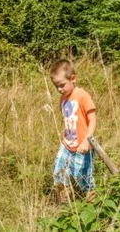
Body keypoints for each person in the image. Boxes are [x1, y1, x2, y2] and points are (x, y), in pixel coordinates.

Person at [50, 59, 97, 203]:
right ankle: (65, 201)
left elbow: (93, 120)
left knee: (82, 176)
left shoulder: (82, 95)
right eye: (56, 86)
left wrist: (86, 141)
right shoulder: (63, 98)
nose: (59, 89)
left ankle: (93, 202)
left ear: (73, 78)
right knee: (58, 171)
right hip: (67, 144)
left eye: (62, 85)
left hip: (82, 146)